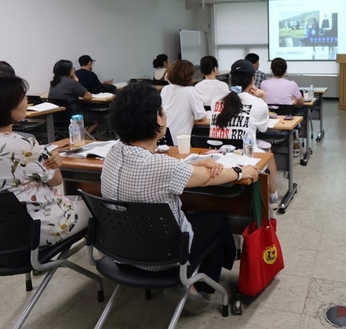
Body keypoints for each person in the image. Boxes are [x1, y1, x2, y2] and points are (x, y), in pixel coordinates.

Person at [101, 82, 258, 306]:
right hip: (162, 257)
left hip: (120, 251)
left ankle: (194, 281)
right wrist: (240, 171)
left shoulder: (113, 152)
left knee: (198, 218)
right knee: (218, 221)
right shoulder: (162, 167)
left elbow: (164, 167)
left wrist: (193, 163)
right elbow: (207, 178)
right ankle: (197, 288)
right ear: (157, 118)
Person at [0, 72, 90, 247]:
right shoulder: (23, 144)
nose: (26, 101)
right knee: (94, 207)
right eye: (23, 97)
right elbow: (56, 181)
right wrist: (53, 160)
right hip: (32, 229)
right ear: (7, 107)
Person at [211, 59, 280, 206]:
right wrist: (263, 97)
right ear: (252, 79)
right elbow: (263, 128)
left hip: (218, 156)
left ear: (230, 79)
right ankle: (273, 196)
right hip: (246, 158)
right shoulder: (258, 103)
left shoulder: (216, 100)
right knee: (268, 151)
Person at [160, 60, 206, 146]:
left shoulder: (165, 89)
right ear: (190, 76)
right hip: (180, 139)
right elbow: (201, 117)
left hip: (165, 136)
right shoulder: (190, 91)